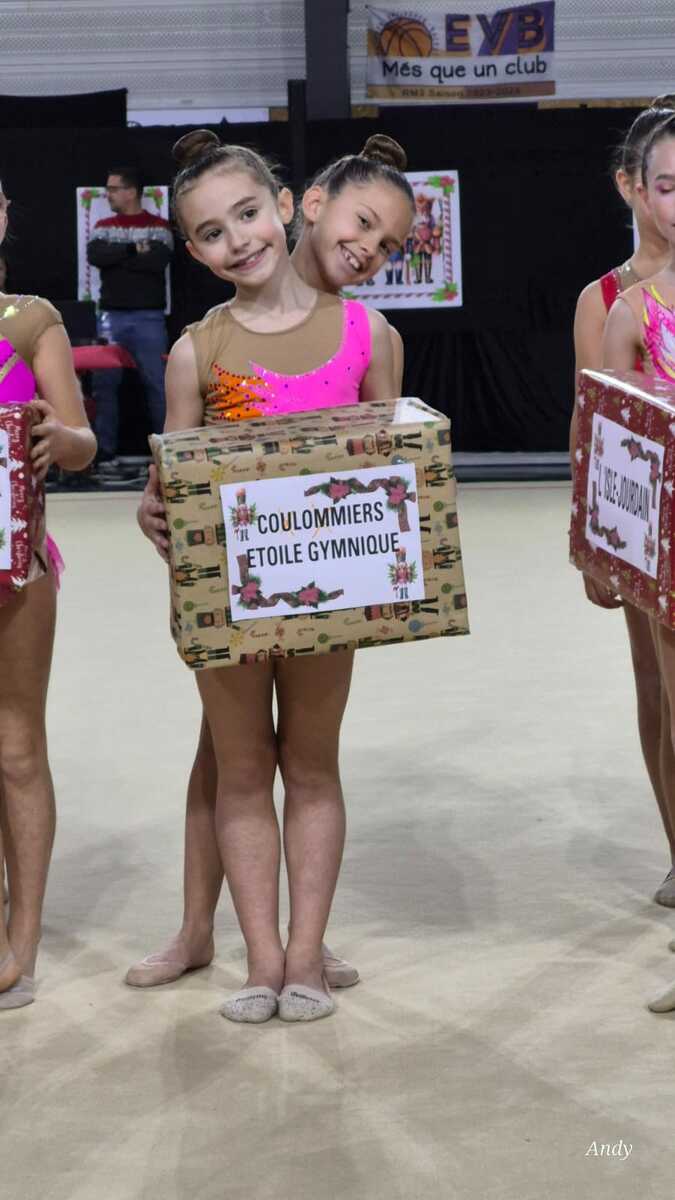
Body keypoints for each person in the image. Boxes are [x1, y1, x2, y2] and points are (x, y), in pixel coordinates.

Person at [133, 129, 413, 1023]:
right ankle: (257, 957)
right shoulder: (197, 350)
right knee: (241, 770)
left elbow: (391, 476)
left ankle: (303, 957)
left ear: (285, 206)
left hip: (328, 598)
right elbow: (172, 486)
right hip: (228, 600)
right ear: (193, 251)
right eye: (211, 232)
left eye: (247, 214)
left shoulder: (369, 334)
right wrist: (161, 523)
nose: (237, 240)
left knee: (312, 766)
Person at [571, 97, 675, 905]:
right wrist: (593, 543)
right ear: (631, 186)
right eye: (664, 183)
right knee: (656, 684)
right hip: (652, 526)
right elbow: (596, 424)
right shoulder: (610, 302)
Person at [0, 176, 97, 1010]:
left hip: (15, 565)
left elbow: (82, 443)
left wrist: (58, 436)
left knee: (15, 748)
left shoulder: (31, 321)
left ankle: (21, 937)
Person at [86, 166, 173, 475]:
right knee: (104, 386)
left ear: (131, 191)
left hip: (149, 318)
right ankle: (104, 454)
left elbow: (158, 260)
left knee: (158, 386)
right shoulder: (102, 226)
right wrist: (135, 250)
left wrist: (119, 256)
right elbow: (97, 256)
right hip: (111, 317)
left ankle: (167, 455)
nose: (108, 194)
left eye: (113, 189)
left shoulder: (159, 226)